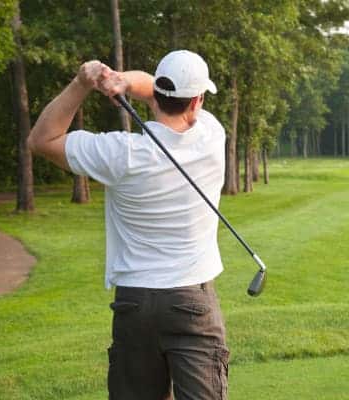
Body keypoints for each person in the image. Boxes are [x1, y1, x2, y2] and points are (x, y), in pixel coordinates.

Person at [28, 50, 229, 400]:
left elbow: (41, 139)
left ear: (158, 97)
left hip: (134, 304)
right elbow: (160, 92)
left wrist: (82, 84)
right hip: (193, 302)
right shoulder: (212, 135)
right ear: (198, 100)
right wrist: (123, 81)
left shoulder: (121, 154)